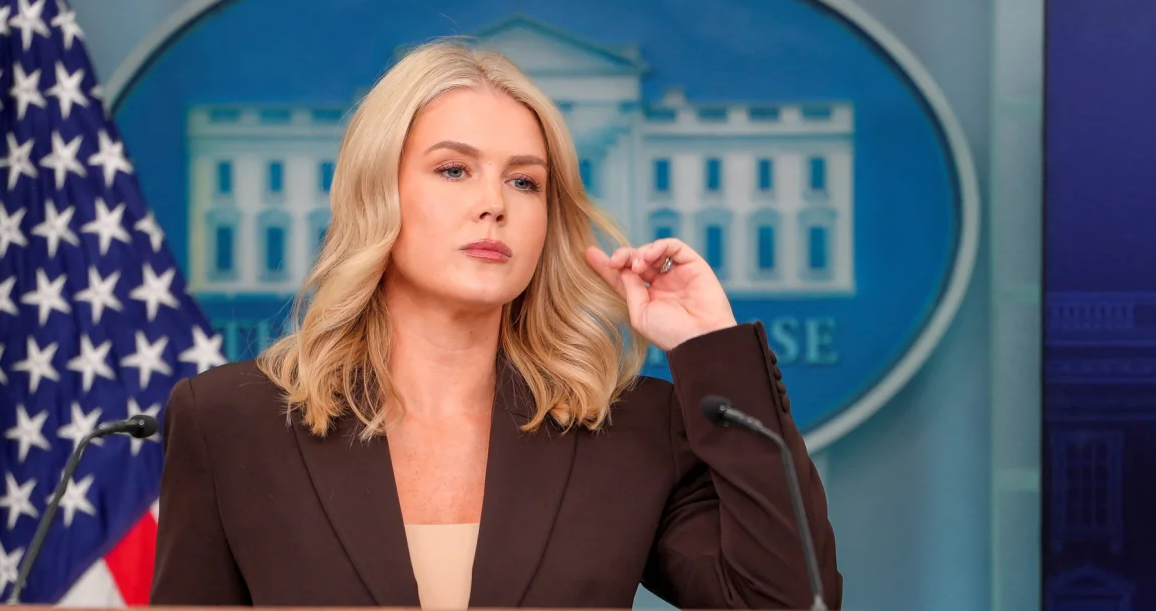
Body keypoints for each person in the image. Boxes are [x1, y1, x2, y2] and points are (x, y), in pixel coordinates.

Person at [149, 39, 842, 610]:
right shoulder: (226, 419)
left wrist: (711, 348)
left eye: (523, 181)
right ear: (376, 192)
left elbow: (784, 601)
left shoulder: (632, 426)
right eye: (454, 170)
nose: (494, 204)